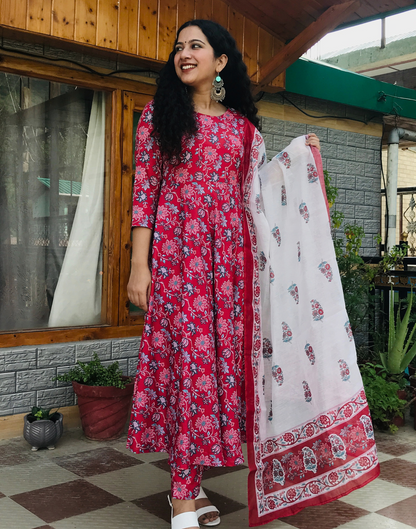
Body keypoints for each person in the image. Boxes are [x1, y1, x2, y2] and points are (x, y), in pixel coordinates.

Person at [127, 18, 379, 529]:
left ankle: (192, 488)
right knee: (188, 373)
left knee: (214, 376)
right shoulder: (159, 117)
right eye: (179, 47)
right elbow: (143, 198)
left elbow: (259, 192)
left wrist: (299, 158)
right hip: (178, 266)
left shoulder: (244, 130)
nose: (184, 54)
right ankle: (181, 496)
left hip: (230, 270)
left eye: (196, 46)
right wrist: (140, 265)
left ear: (221, 62)